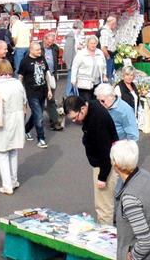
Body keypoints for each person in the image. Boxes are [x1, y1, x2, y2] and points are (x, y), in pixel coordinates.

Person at [111, 140, 150, 260]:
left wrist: (132, 256)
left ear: (116, 164)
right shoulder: (145, 175)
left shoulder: (130, 198)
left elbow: (145, 242)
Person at [64, 95, 119, 224]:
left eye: (75, 117)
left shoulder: (97, 121)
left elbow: (105, 153)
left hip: (105, 165)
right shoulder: (92, 106)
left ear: (83, 108)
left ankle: (106, 238)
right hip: (104, 162)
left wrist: (102, 177)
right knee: (106, 204)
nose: (74, 121)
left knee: (103, 206)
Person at [0, 60, 27, 195]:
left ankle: (7, 185)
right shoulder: (17, 83)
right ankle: (14, 181)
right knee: (13, 151)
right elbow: (24, 100)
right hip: (17, 120)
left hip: (2, 121)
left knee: (2, 154)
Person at [19, 41, 52, 148]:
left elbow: (46, 74)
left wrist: (49, 90)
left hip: (43, 91)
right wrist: (20, 91)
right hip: (31, 92)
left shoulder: (42, 59)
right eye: (37, 50)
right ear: (31, 50)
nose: (40, 51)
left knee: (36, 114)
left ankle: (26, 129)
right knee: (39, 115)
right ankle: (41, 139)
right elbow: (20, 77)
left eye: (40, 49)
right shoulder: (25, 62)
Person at [71, 35, 108, 102]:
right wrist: (73, 80)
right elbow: (74, 67)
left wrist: (104, 75)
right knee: (86, 102)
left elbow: (104, 65)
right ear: (87, 43)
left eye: (94, 43)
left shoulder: (100, 52)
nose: (93, 45)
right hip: (84, 84)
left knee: (96, 102)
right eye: (91, 43)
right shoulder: (81, 53)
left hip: (97, 83)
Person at [41, 32, 63, 131]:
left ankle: (54, 122)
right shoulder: (39, 48)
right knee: (40, 100)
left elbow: (56, 59)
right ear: (44, 39)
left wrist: (55, 72)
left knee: (51, 99)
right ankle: (37, 122)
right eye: (49, 42)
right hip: (41, 76)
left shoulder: (55, 48)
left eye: (52, 42)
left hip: (52, 75)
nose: (51, 44)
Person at [64, 19, 84, 97]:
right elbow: (68, 50)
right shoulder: (71, 36)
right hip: (72, 61)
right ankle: (69, 94)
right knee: (71, 78)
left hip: (74, 60)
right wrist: (69, 63)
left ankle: (72, 94)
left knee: (73, 77)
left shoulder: (74, 35)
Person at [100, 16, 118, 80]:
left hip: (110, 55)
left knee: (111, 75)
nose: (116, 25)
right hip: (108, 56)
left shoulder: (109, 31)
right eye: (115, 23)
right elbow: (103, 47)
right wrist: (108, 57)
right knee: (108, 76)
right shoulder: (105, 31)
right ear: (112, 23)